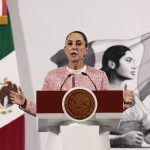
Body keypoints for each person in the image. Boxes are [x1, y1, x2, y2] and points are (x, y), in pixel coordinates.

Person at [9, 31, 133, 149]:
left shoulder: (99, 76)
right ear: (65, 50)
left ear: (86, 50)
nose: (74, 47)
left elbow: (108, 110)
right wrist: (25, 103)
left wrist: (124, 103)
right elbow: (44, 110)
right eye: (70, 44)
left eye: (78, 44)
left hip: (93, 139)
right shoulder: (52, 76)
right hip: (60, 138)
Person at [101, 45, 150, 147]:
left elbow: (147, 130)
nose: (133, 66)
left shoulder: (132, 99)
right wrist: (118, 140)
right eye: (128, 60)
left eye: (133, 61)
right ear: (112, 64)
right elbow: (82, 136)